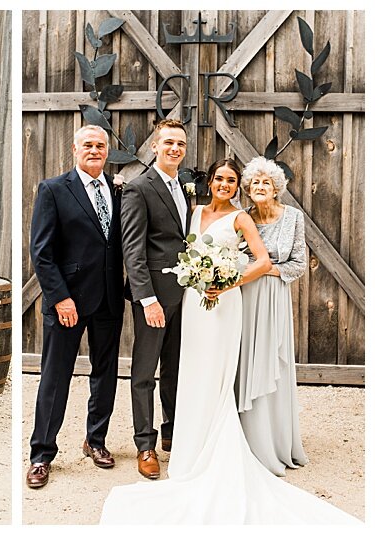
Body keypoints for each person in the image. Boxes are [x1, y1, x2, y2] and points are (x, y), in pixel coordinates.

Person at [100, 158, 356, 524]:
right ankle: (187, 441)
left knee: (218, 373)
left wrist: (226, 283)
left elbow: (264, 260)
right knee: (190, 369)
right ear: (211, 182)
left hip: (222, 302)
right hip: (193, 302)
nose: (224, 184)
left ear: (238, 187)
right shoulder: (194, 210)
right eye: (219, 178)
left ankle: (215, 444)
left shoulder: (241, 218)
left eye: (231, 180)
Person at [25, 125, 124, 489]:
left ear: (107, 151)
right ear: (75, 149)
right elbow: (42, 252)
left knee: (105, 375)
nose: (95, 150)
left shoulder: (116, 189)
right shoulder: (53, 189)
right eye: (88, 145)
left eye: (100, 145)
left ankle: (95, 441)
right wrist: (60, 297)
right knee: (55, 378)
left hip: (109, 299)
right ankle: (41, 454)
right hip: (68, 300)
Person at [120, 118, 191, 479]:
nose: (174, 148)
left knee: (175, 370)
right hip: (154, 299)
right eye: (168, 143)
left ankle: (172, 434)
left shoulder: (184, 186)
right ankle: (144, 444)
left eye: (180, 143)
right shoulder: (138, 188)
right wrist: (147, 299)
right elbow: (133, 251)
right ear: (155, 147)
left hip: (185, 297)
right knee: (145, 372)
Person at [238, 157, 309, 476]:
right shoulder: (243, 218)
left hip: (274, 296)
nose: (260, 187)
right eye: (255, 183)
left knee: (273, 362)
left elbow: (298, 263)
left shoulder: (293, 217)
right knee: (245, 361)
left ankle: (277, 442)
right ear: (248, 189)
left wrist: (268, 270)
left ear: (277, 187)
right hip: (245, 298)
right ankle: (248, 439)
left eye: (266, 182)